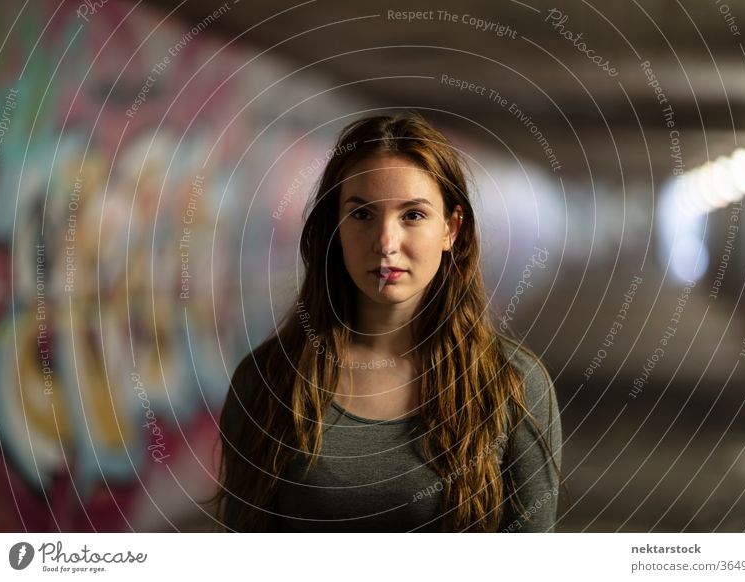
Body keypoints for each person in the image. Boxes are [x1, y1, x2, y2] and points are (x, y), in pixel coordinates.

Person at [213, 111, 562, 532]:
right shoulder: (266, 381)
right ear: (334, 228)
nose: (385, 243)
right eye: (362, 215)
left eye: (412, 215)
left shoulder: (512, 386)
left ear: (452, 228)